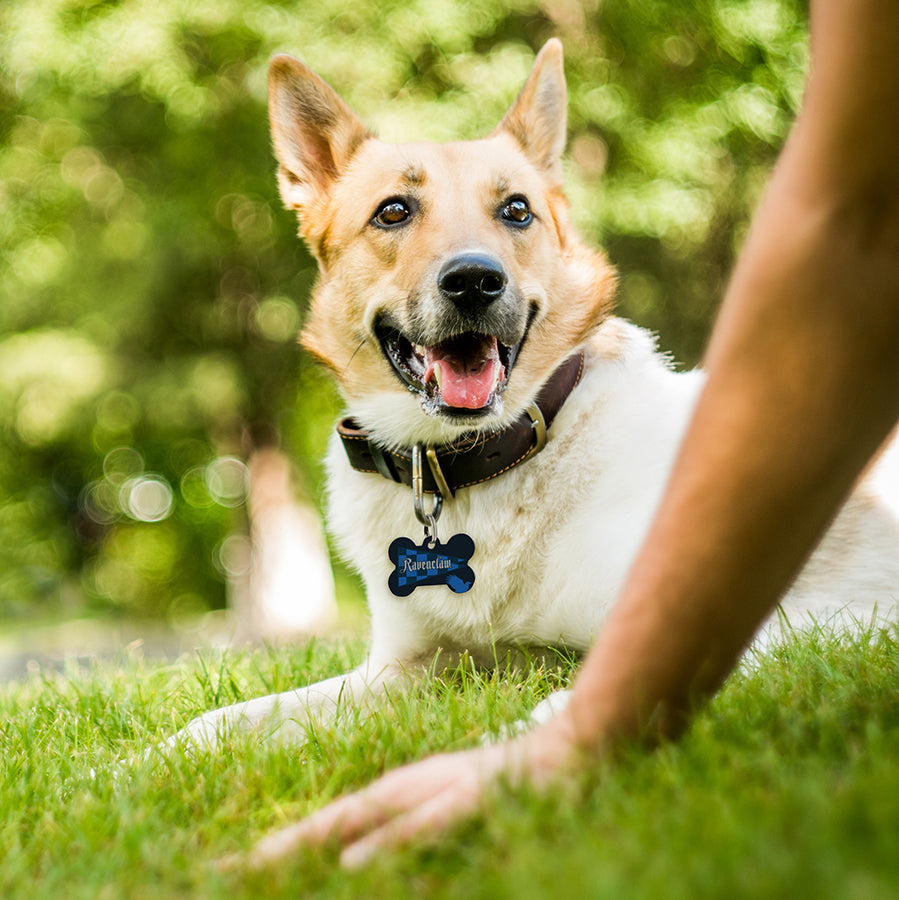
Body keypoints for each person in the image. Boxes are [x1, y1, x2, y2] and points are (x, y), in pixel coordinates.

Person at [243, 0, 899, 869]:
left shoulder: (628, 435)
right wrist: (190, 743)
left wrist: (551, 741)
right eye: (394, 215)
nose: (470, 260)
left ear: (556, 235)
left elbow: (730, 645)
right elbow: (406, 674)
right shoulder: (376, 487)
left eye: (514, 214)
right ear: (318, 211)